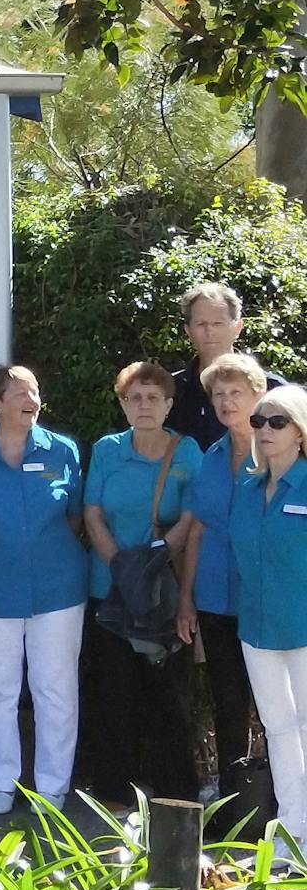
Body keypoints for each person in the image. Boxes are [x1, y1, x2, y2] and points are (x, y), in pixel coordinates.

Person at [0, 364, 88, 816]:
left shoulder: (63, 450)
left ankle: (53, 787)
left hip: (58, 588)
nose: (32, 399)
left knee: (55, 689)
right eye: (20, 392)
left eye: (35, 390)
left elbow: (74, 516)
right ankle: (1, 782)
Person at [80, 362, 202, 803]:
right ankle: (114, 790)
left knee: (166, 695)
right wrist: (121, 568)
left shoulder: (187, 452)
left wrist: (151, 562)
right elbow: (92, 512)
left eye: (154, 397)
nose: (145, 405)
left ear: (169, 404)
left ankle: (175, 791)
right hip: (110, 591)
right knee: (115, 693)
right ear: (123, 404)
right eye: (135, 397)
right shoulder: (107, 449)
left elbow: (192, 517)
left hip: (160, 594)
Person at [177, 352, 266, 804]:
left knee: (277, 706)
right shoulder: (209, 458)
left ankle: (285, 802)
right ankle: (238, 803)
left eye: (236, 392)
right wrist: (187, 598)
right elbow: (197, 529)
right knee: (227, 702)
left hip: (268, 602)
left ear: (258, 395)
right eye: (219, 394)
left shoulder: (281, 453)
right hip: (214, 599)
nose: (227, 401)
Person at [228, 384, 307, 861]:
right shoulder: (246, 484)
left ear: (300, 431)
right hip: (257, 628)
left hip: (303, 627)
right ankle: (291, 833)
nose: (266, 430)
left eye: (277, 421)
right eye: (259, 421)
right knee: (278, 730)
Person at [170, 283, 285, 452]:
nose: (210, 331)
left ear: (238, 327)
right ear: (188, 330)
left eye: (218, 323)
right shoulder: (170, 390)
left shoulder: (274, 390)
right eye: (201, 324)